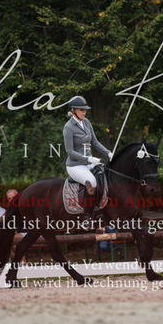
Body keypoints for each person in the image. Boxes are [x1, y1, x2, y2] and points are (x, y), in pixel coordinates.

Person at [63, 96, 112, 227]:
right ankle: (87, 217)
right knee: (92, 181)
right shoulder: (68, 127)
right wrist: (88, 159)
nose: (84, 112)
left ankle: (99, 210)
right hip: (75, 165)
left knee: (103, 175)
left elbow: (94, 142)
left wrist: (108, 152)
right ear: (73, 110)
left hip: (89, 163)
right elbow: (70, 152)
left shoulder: (86, 122)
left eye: (85, 110)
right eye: (81, 110)